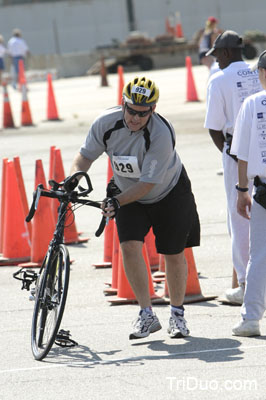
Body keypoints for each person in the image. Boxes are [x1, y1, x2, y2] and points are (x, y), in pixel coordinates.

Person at [69, 76, 200, 339]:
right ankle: (146, 314)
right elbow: (84, 157)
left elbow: (147, 185)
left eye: (143, 113)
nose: (135, 118)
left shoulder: (161, 133)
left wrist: (115, 202)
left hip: (169, 192)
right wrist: (72, 181)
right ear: (122, 104)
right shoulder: (106, 123)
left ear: (153, 109)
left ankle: (177, 315)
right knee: (129, 247)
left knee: (173, 254)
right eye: (131, 110)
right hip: (127, 191)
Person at [204, 30, 262, 305]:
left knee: (239, 215)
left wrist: (230, 155)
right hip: (263, 147)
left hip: (237, 150)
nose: (216, 61)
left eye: (217, 55)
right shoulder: (258, 72)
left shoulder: (219, 80)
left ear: (226, 52)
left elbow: (215, 128)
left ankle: (245, 284)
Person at [231, 50, 266, 336]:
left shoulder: (252, 104)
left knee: (260, 255)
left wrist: (242, 190)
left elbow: (241, 154)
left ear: (262, 74)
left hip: (264, 190)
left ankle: (251, 318)